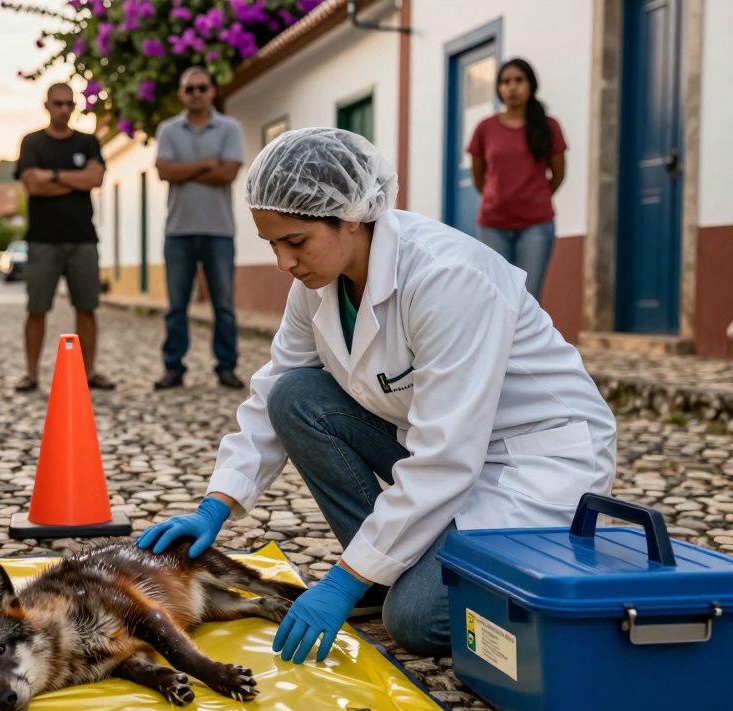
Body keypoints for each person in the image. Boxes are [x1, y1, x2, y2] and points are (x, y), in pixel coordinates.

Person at [138, 128, 616, 664]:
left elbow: (446, 457)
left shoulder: (446, 277)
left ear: (350, 217)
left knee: (415, 621)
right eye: (272, 243)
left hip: (531, 462)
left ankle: (386, 574)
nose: (284, 263)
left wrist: (341, 579)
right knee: (297, 395)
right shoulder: (318, 282)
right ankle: (389, 570)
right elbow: (277, 385)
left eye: (295, 242)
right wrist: (215, 506)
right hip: (448, 449)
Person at [14, 82, 112, 392]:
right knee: (37, 308)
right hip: (42, 240)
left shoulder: (87, 142)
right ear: (47, 106)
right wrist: (76, 181)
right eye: (57, 104)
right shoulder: (31, 142)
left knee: (87, 307)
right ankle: (31, 373)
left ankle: (87, 371)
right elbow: (32, 186)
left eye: (69, 104)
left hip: (83, 238)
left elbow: (95, 179)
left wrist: (53, 175)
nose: (64, 110)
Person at [152, 67, 246, 390]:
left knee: (224, 305)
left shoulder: (230, 128)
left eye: (201, 88)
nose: (195, 93)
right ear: (181, 93)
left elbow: (228, 173)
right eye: (189, 88)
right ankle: (173, 367)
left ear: (211, 91)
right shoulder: (167, 130)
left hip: (219, 230)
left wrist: (185, 171)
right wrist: (207, 163)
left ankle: (226, 367)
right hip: (178, 232)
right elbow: (164, 171)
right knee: (176, 306)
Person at [467, 58, 566, 301]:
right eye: (505, 82)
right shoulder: (485, 128)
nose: (511, 87)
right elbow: (479, 177)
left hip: (536, 226)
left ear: (531, 85)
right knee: (495, 296)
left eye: (518, 80)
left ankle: (525, 342)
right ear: (499, 88)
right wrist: (497, 196)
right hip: (493, 225)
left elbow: (559, 173)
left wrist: (536, 197)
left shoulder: (548, 126)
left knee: (528, 299)